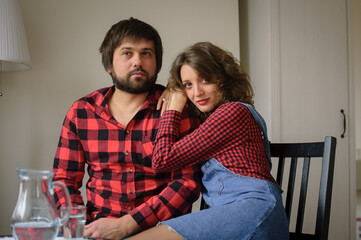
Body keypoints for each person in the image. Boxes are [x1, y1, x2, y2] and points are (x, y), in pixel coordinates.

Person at [52, 18, 201, 240]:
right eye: (127, 53)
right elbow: (64, 180)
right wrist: (77, 227)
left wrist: (127, 225)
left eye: (146, 53)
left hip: (161, 231)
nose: (137, 62)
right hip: (96, 231)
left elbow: (187, 182)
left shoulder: (176, 109)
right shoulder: (81, 112)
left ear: (157, 63)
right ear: (109, 64)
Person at [129, 42, 289, 240]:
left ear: (223, 78)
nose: (197, 92)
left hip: (254, 210)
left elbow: (162, 159)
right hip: (234, 213)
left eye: (205, 80)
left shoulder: (232, 113)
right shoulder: (214, 119)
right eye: (188, 85)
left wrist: (172, 109)